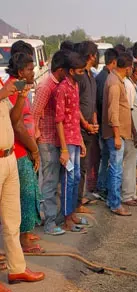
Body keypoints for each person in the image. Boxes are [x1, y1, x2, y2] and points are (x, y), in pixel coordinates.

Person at [0, 79, 45, 292]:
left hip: (8, 156)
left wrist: (19, 97)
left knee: (12, 219)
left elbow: (13, 118)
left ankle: (17, 268)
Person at [5, 52, 44, 251]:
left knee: (27, 193)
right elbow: (17, 125)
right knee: (26, 194)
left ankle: (25, 234)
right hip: (19, 149)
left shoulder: (19, 87)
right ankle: (24, 239)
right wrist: (34, 149)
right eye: (30, 69)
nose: (33, 71)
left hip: (22, 147)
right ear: (21, 71)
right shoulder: (13, 87)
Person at [33, 50, 69, 236]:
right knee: (49, 183)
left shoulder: (57, 85)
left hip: (54, 139)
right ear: (60, 69)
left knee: (53, 182)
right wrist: (37, 140)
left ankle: (50, 217)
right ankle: (48, 223)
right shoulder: (46, 86)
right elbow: (34, 115)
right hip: (46, 141)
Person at [55, 52, 89, 233]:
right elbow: (59, 120)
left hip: (75, 137)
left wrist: (81, 140)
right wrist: (63, 149)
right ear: (70, 71)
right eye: (80, 71)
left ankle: (72, 213)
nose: (82, 73)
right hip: (67, 141)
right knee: (68, 179)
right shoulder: (62, 89)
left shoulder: (75, 86)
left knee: (75, 178)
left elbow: (75, 115)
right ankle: (66, 218)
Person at [102, 53, 133, 217]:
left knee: (114, 168)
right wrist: (116, 135)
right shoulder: (114, 83)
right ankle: (115, 203)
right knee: (116, 169)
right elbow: (113, 111)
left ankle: (111, 200)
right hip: (116, 133)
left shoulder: (114, 79)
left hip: (117, 132)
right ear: (127, 68)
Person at [75, 41, 99, 212]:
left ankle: (79, 201)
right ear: (91, 56)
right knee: (79, 168)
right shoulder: (80, 77)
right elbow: (75, 105)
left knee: (84, 167)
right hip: (80, 129)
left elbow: (92, 104)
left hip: (90, 127)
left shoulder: (91, 77)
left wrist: (94, 121)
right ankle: (76, 204)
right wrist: (85, 124)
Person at [93, 48, 119, 201]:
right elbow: (104, 104)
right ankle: (102, 186)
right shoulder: (106, 79)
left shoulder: (103, 76)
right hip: (105, 126)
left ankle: (102, 185)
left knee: (105, 158)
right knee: (106, 158)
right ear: (114, 62)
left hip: (103, 124)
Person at [122, 61, 137, 207]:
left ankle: (132, 193)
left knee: (131, 165)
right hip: (131, 133)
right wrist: (135, 134)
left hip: (135, 132)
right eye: (136, 74)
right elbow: (128, 111)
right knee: (128, 165)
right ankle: (127, 195)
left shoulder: (131, 85)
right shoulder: (128, 86)